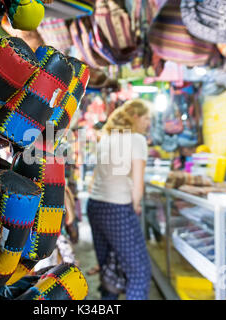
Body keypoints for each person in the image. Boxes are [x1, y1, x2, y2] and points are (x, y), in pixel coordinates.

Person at [86, 99, 152, 300]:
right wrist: (136, 204)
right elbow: (138, 183)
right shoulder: (137, 139)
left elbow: (96, 176)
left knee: (108, 268)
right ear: (135, 116)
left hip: (95, 205)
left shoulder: (106, 137)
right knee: (139, 272)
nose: (149, 122)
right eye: (147, 118)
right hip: (118, 208)